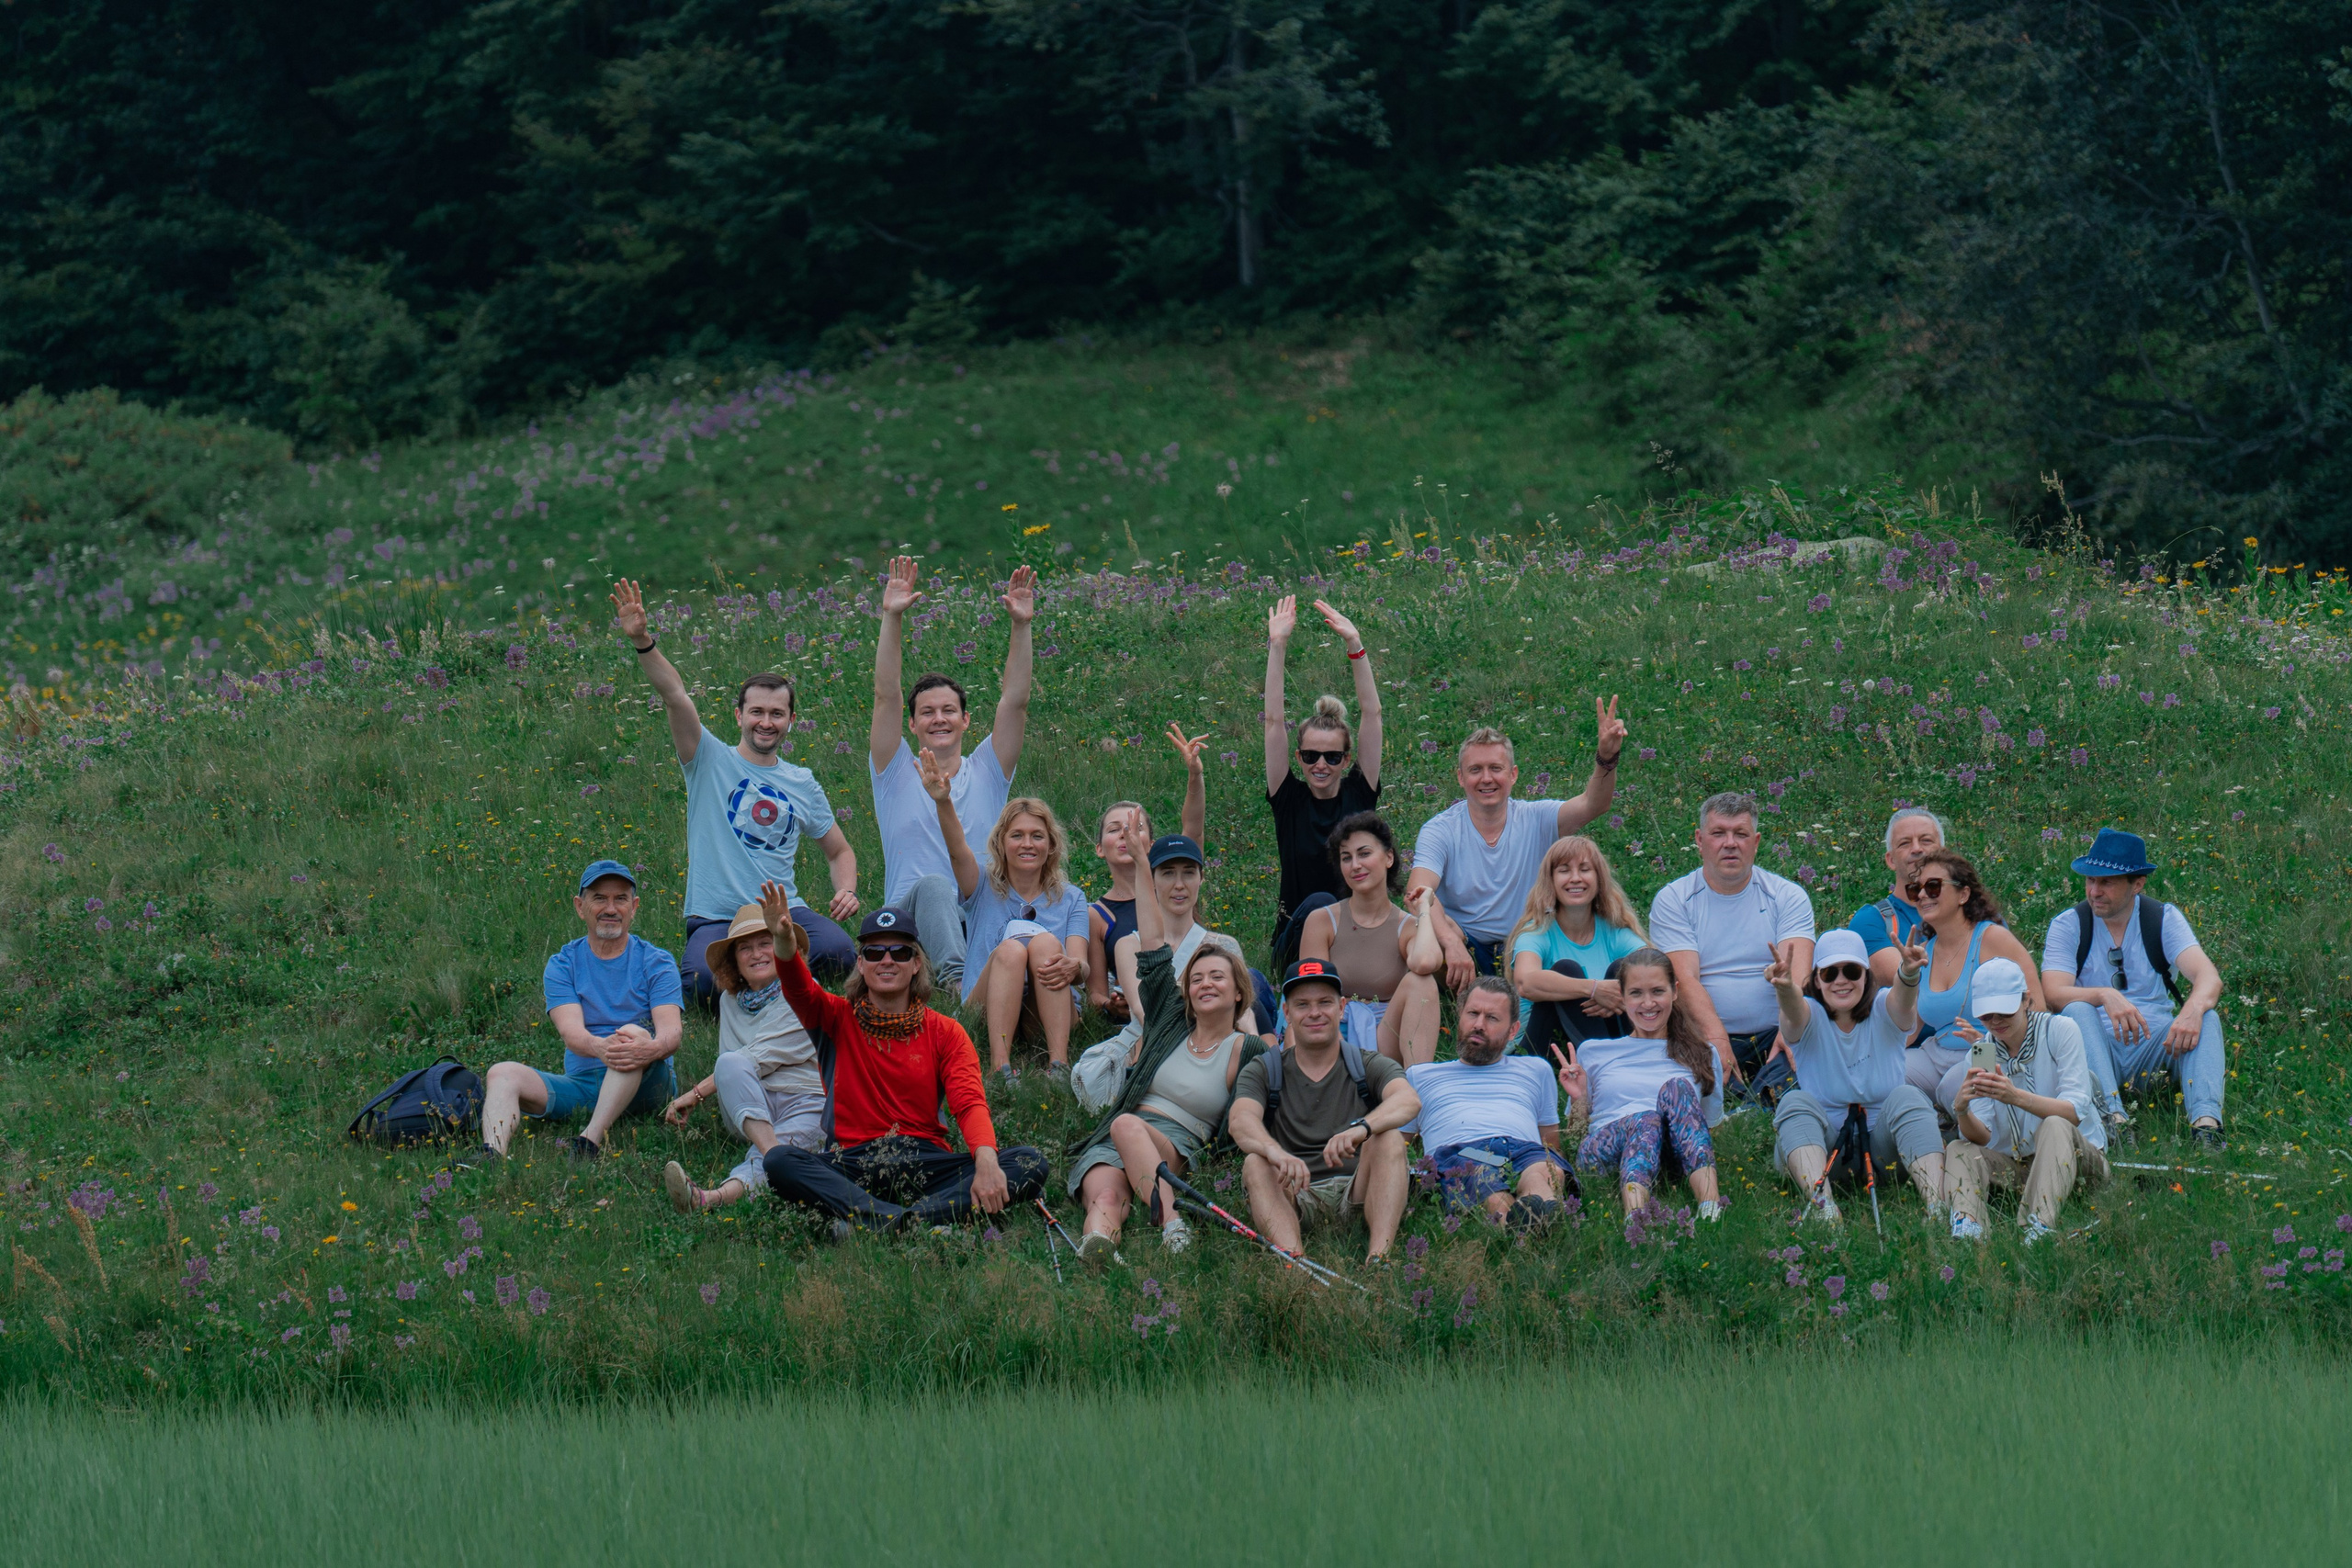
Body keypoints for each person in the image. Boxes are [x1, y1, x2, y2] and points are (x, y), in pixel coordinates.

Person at [612, 579, 859, 996]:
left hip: (784, 913)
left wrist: (846, 890)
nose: (766, 722)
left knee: (840, 953)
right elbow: (675, 696)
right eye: (757, 711)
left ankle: (767, 983)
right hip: (717, 917)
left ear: (791, 720)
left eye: (777, 713)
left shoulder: (802, 782)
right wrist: (643, 642)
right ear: (738, 715)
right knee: (700, 983)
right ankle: (772, 982)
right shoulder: (708, 759)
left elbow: (839, 850)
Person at [759, 892, 1049, 1234]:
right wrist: (783, 941)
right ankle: (918, 1218)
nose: (887, 961)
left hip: (926, 1161)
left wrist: (986, 1161)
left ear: (916, 964)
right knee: (779, 1161)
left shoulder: (947, 1032)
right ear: (860, 963)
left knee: (1028, 1162)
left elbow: (969, 1104)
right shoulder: (834, 1018)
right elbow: (799, 990)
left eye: (900, 952)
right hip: (853, 1162)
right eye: (874, 952)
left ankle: (887, 1220)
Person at [1069, 815, 1270, 1264]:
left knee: (1124, 1126)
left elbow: (1255, 1113)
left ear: (1240, 991)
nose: (1205, 984)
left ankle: (1172, 1222)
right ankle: (1100, 1246)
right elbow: (1153, 945)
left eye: (1217, 976)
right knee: (1105, 1195)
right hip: (1122, 1129)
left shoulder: (1246, 1049)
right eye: (1196, 978)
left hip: (1176, 1142)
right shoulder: (1167, 1022)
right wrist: (1142, 863)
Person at [867, 555, 1036, 993]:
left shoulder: (988, 770)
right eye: (927, 712)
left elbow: (1014, 701)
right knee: (937, 886)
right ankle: (957, 982)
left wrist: (1021, 626)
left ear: (965, 721)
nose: (938, 719)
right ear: (913, 724)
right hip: (910, 919)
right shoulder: (894, 771)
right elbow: (886, 695)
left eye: (948, 711)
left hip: (980, 911)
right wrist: (891, 617)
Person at [471, 861, 682, 1167]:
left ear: (634, 907)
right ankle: (492, 1154)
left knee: (631, 1034)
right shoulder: (563, 963)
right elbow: (572, 1034)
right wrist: (601, 1047)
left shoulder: (657, 961)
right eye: (600, 898)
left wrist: (646, 1049)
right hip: (584, 1084)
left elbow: (671, 1033)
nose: (611, 908)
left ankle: (588, 1142)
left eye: (620, 899)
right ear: (580, 906)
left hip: (648, 1084)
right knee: (501, 1072)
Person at [1408, 706, 1627, 988]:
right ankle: (1452, 1002)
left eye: (1495, 769)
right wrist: (1451, 943)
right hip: (1465, 944)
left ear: (1512, 775)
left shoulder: (1538, 817)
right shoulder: (1441, 830)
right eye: (1475, 770)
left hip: (1527, 942)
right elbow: (1419, 893)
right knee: (1419, 937)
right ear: (1460, 777)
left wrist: (1606, 758)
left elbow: (1593, 804)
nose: (1486, 778)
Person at [2038, 828, 2227, 1150]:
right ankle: (2113, 1120)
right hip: (2093, 1049)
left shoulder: (2162, 918)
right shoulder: (2069, 924)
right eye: (2090, 880)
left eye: (2106, 882)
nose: (2094, 891)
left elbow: (2208, 978)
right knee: (2077, 1010)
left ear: (2137, 884)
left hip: (2156, 1044)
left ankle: (2206, 1127)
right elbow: (2053, 993)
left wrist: (2192, 1011)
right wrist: (2103, 994)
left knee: (2207, 1017)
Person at [1229, 959, 1420, 1263]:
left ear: (1342, 1008)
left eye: (1325, 1002)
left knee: (1389, 1139)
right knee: (1256, 1162)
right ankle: (1296, 1263)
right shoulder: (1265, 1069)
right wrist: (1273, 1151)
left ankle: (1379, 1259)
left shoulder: (1366, 1063)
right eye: (1303, 1005)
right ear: (1288, 1014)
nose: (1315, 1013)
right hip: (1293, 1194)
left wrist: (1362, 1128)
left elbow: (1408, 1100)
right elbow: (1240, 1120)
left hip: (1358, 1191)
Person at [1646, 791, 1816, 1121]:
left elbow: (1797, 972)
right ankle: (1760, 1097)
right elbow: (1683, 978)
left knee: (1811, 1049)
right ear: (1699, 840)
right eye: (1718, 833)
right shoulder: (1674, 900)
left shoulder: (1788, 896)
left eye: (1740, 834)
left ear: (1756, 842)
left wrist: (1792, 1030)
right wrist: (1716, 1039)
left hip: (1776, 1030)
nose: (1730, 843)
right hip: (1704, 1032)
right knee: (1691, 1065)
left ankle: (1752, 1099)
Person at [922, 758, 1090, 1077]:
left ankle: (1059, 1064)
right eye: (1017, 835)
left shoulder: (1072, 898)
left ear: (1051, 845)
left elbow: (1081, 964)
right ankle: (1001, 1067)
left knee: (1045, 945)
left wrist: (1074, 967)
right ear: (1001, 842)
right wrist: (943, 802)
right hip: (987, 1004)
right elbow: (958, 851)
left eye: (1037, 836)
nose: (1027, 844)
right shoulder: (981, 886)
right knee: (1012, 949)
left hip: (1051, 1010)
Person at [1764, 928, 1942, 1224]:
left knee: (1909, 1096)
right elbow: (1794, 1010)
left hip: (1887, 1150)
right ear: (1817, 981)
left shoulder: (1885, 1008)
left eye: (1851, 970)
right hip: (1823, 1149)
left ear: (1866, 976)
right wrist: (1784, 987)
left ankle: (1937, 1205)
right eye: (1830, 973)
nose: (1841, 980)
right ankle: (1824, 1209)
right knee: (1794, 1102)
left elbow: (1902, 999)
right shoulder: (1808, 1014)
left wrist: (1909, 973)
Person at [659, 903, 822, 1213]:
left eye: (765, 943)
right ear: (734, 960)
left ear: (783, 948)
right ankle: (781, 1161)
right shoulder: (730, 1001)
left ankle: (710, 1198)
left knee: (735, 1065)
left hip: (804, 1102)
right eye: (744, 948)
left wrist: (697, 1092)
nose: (756, 954)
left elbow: (759, 1056)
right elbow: (735, 1068)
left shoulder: (805, 993)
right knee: (730, 1063)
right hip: (749, 1108)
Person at [1945, 957, 2109, 1244]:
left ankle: (2038, 1225)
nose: (1995, 1022)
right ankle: (1969, 1224)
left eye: (2004, 1012)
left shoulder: (2060, 1030)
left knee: (2055, 1124)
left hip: (2078, 1158)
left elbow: (2073, 1112)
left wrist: (2016, 1097)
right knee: (1959, 1148)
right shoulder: (1982, 1052)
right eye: (1985, 1015)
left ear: (2025, 1001)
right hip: (2018, 1165)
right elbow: (1982, 1136)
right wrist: (1961, 1111)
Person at [1555, 947, 1724, 1219]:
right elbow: (1576, 1133)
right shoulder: (1594, 1051)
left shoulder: (1703, 1054)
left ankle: (1711, 1208)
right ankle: (1636, 1219)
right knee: (1646, 1120)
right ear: (1622, 996)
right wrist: (1579, 1098)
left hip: (1672, 1156)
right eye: (1636, 993)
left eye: (1657, 991)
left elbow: (1706, 1128)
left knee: (1677, 1087)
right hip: (1605, 1152)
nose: (1648, 1004)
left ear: (1675, 992)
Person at [1262, 594, 1385, 967]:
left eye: (1332, 757)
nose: (1320, 765)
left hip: (1354, 936)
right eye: (1310, 755)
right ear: (1298, 757)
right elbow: (1272, 721)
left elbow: (1372, 714)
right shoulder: (1289, 799)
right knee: (1319, 905)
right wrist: (1277, 645)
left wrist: (1355, 645)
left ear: (1346, 760)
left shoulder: (1359, 795)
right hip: (1295, 942)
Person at [1405, 977, 1574, 1228]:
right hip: (1462, 1151)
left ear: (1513, 1030)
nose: (1479, 1025)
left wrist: (1579, 1103)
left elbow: (1551, 1146)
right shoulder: (1420, 1075)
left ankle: (1539, 1213)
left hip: (1523, 1149)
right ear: (1460, 1016)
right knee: (1487, 1185)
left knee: (1546, 1172)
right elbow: (1398, 1148)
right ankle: (1527, 1229)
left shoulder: (1536, 1069)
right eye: (1472, 1013)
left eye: (1492, 1018)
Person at [1904, 850, 2047, 1112]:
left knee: (1954, 1086)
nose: (1923, 895)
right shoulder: (1925, 951)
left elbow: (2036, 1008)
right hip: (1938, 1053)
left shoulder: (1992, 939)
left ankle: (1970, 1137)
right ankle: (1927, 1136)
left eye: (1933, 886)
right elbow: (1908, 1029)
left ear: (1963, 894)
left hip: (1990, 1049)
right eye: (1916, 889)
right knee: (1890, 1074)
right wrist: (1907, 975)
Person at [1086, 727, 1208, 1027]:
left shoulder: (1173, 885)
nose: (1126, 834)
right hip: (1141, 1006)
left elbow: (1192, 827)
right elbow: (1096, 993)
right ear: (1100, 849)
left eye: (1135, 828)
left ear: (1152, 845)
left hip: (1198, 991)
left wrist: (1195, 776)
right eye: (1116, 830)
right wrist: (1112, 1007)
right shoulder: (1097, 915)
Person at [1297, 811, 1441, 1064]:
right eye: (1346, 858)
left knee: (1423, 983)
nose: (1355, 865)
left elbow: (1426, 963)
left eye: (1364, 854)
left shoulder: (1406, 926)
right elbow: (1311, 992)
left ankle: (1419, 1087)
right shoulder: (1322, 921)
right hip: (1332, 1032)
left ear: (1388, 858)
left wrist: (1425, 911)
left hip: (1385, 1037)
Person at [1510, 835, 1648, 1057]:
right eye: (1564, 870)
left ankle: (1622, 1062)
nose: (1575, 878)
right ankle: (1609, 1068)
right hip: (1542, 1048)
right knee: (1565, 970)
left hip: (1607, 1037)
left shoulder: (1613, 931)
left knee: (1625, 970)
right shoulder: (1537, 932)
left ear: (1598, 878)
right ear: (1551, 880)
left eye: (1584, 869)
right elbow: (1526, 983)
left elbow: (1657, 972)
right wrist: (1593, 989)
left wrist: (1618, 994)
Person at [1848, 807, 1946, 987]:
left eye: (1926, 840)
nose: (1917, 849)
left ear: (1944, 853)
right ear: (1891, 860)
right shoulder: (1872, 921)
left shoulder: (1974, 911)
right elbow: (1907, 983)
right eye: (1905, 843)